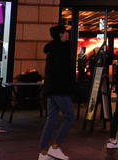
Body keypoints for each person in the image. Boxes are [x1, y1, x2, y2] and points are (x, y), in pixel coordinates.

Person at [38, 25, 77, 160]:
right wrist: (70, 83)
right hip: (59, 88)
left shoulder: (52, 49)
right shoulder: (61, 49)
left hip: (51, 88)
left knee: (51, 120)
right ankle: (55, 146)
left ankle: (43, 152)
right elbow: (61, 70)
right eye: (66, 32)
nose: (68, 33)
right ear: (60, 34)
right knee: (70, 116)